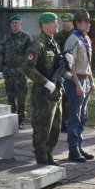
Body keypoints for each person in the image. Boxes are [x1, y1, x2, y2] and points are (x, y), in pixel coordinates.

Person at [23, 12, 64, 165]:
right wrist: (46, 82)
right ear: (45, 25)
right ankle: (41, 157)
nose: (57, 24)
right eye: (54, 22)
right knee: (42, 127)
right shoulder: (37, 44)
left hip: (56, 92)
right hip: (43, 94)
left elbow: (56, 66)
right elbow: (28, 68)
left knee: (55, 127)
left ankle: (49, 154)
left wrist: (65, 67)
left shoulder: (53, 43)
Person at [63, 9, 95, 162]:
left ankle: (79, 145)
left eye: (89, 22)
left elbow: (87, 63)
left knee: (83, 116)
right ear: (78, 23)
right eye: (86, 21)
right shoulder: (73, 39)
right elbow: (69, 65)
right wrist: (77, 84)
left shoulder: (86, 39)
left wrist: (91, 80)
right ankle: (73, 149)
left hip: (85, 80)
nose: (89, 24)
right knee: (74, 116)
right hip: (75, 81)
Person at [0, 14, 33, 129]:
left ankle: (21, 119)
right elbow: (1, 54)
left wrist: (28, 69)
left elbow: (31, 55)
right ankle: (11, 117)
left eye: (16, 23)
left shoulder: (26, 38)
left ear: (21, 24)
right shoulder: (6, 37)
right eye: (12, 23)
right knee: (10, 96)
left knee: (21, 96)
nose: (14, 25)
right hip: (8, 71)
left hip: (21, 72)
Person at [55, 13, 75, 132]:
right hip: (62, 71)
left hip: (74, 71)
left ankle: (70, 122)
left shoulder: (76, 35)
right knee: (63, 99)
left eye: (67, 21)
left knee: (72, 99)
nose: (65, 23)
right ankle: (63, 123)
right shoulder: (58, 37)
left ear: (72, 22)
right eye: (63, 21)